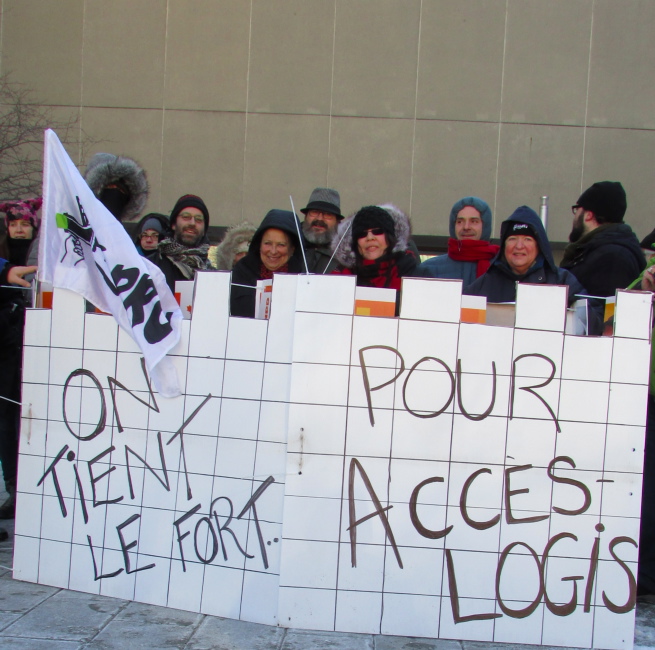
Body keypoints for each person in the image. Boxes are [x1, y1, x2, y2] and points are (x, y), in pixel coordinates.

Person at [465, 205, 594, 312]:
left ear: (539, 246)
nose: (519, 246)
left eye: (527, 239)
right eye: (512, 239)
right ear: (504, 246)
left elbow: (591, 317)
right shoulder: (484, 284)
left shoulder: (562, 281)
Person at [0, 198, 42, 521]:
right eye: (13, 223)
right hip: (5, 345)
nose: (18, 228)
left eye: (24, 224)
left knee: (34, 414)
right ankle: (13, 487)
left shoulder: (43, 252)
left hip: (37, 344)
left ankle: (34, 485)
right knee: (6, 419)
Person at [560, 181, 645, 297]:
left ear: (588, 215)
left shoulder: (613, 257)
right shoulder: (596, 250)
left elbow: (606, 309)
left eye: (577, 209)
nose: (574, 216)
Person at [230, 210, 304, 317]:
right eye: (267, 243)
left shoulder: (302, 278)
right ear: (259, 244)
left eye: (281, 245)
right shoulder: (240, 273)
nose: (273, 251)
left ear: (292, 249)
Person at [331, 204, 417, 291]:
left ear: (390, 237)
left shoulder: (409, 272)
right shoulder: (341, 276)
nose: (370, 238)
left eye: (377, 231)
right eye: (362, 234)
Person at [418, 196, 499, 288]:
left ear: (485, 226)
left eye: (474, 221)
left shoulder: (501, 268)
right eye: (460, 221)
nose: (466, 227)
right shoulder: (429, 268)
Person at [151, 195, 214, 291]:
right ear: (173, 224)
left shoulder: (213, 275)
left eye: (199, 219)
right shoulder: (153, 266)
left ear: (204, 230)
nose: (192, 223)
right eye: (186, 217)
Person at [84, 152, 149, 223]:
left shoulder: (124, 233)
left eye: (121, 189)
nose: (115, 192)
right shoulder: (79, 230)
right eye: (109, 187)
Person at [299, 187, 344, 274]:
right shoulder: (290, 244)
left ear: (338, 222)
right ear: (306, 216)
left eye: (328, 214)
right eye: (314, 212)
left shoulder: (345, 255)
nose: (319, 218)